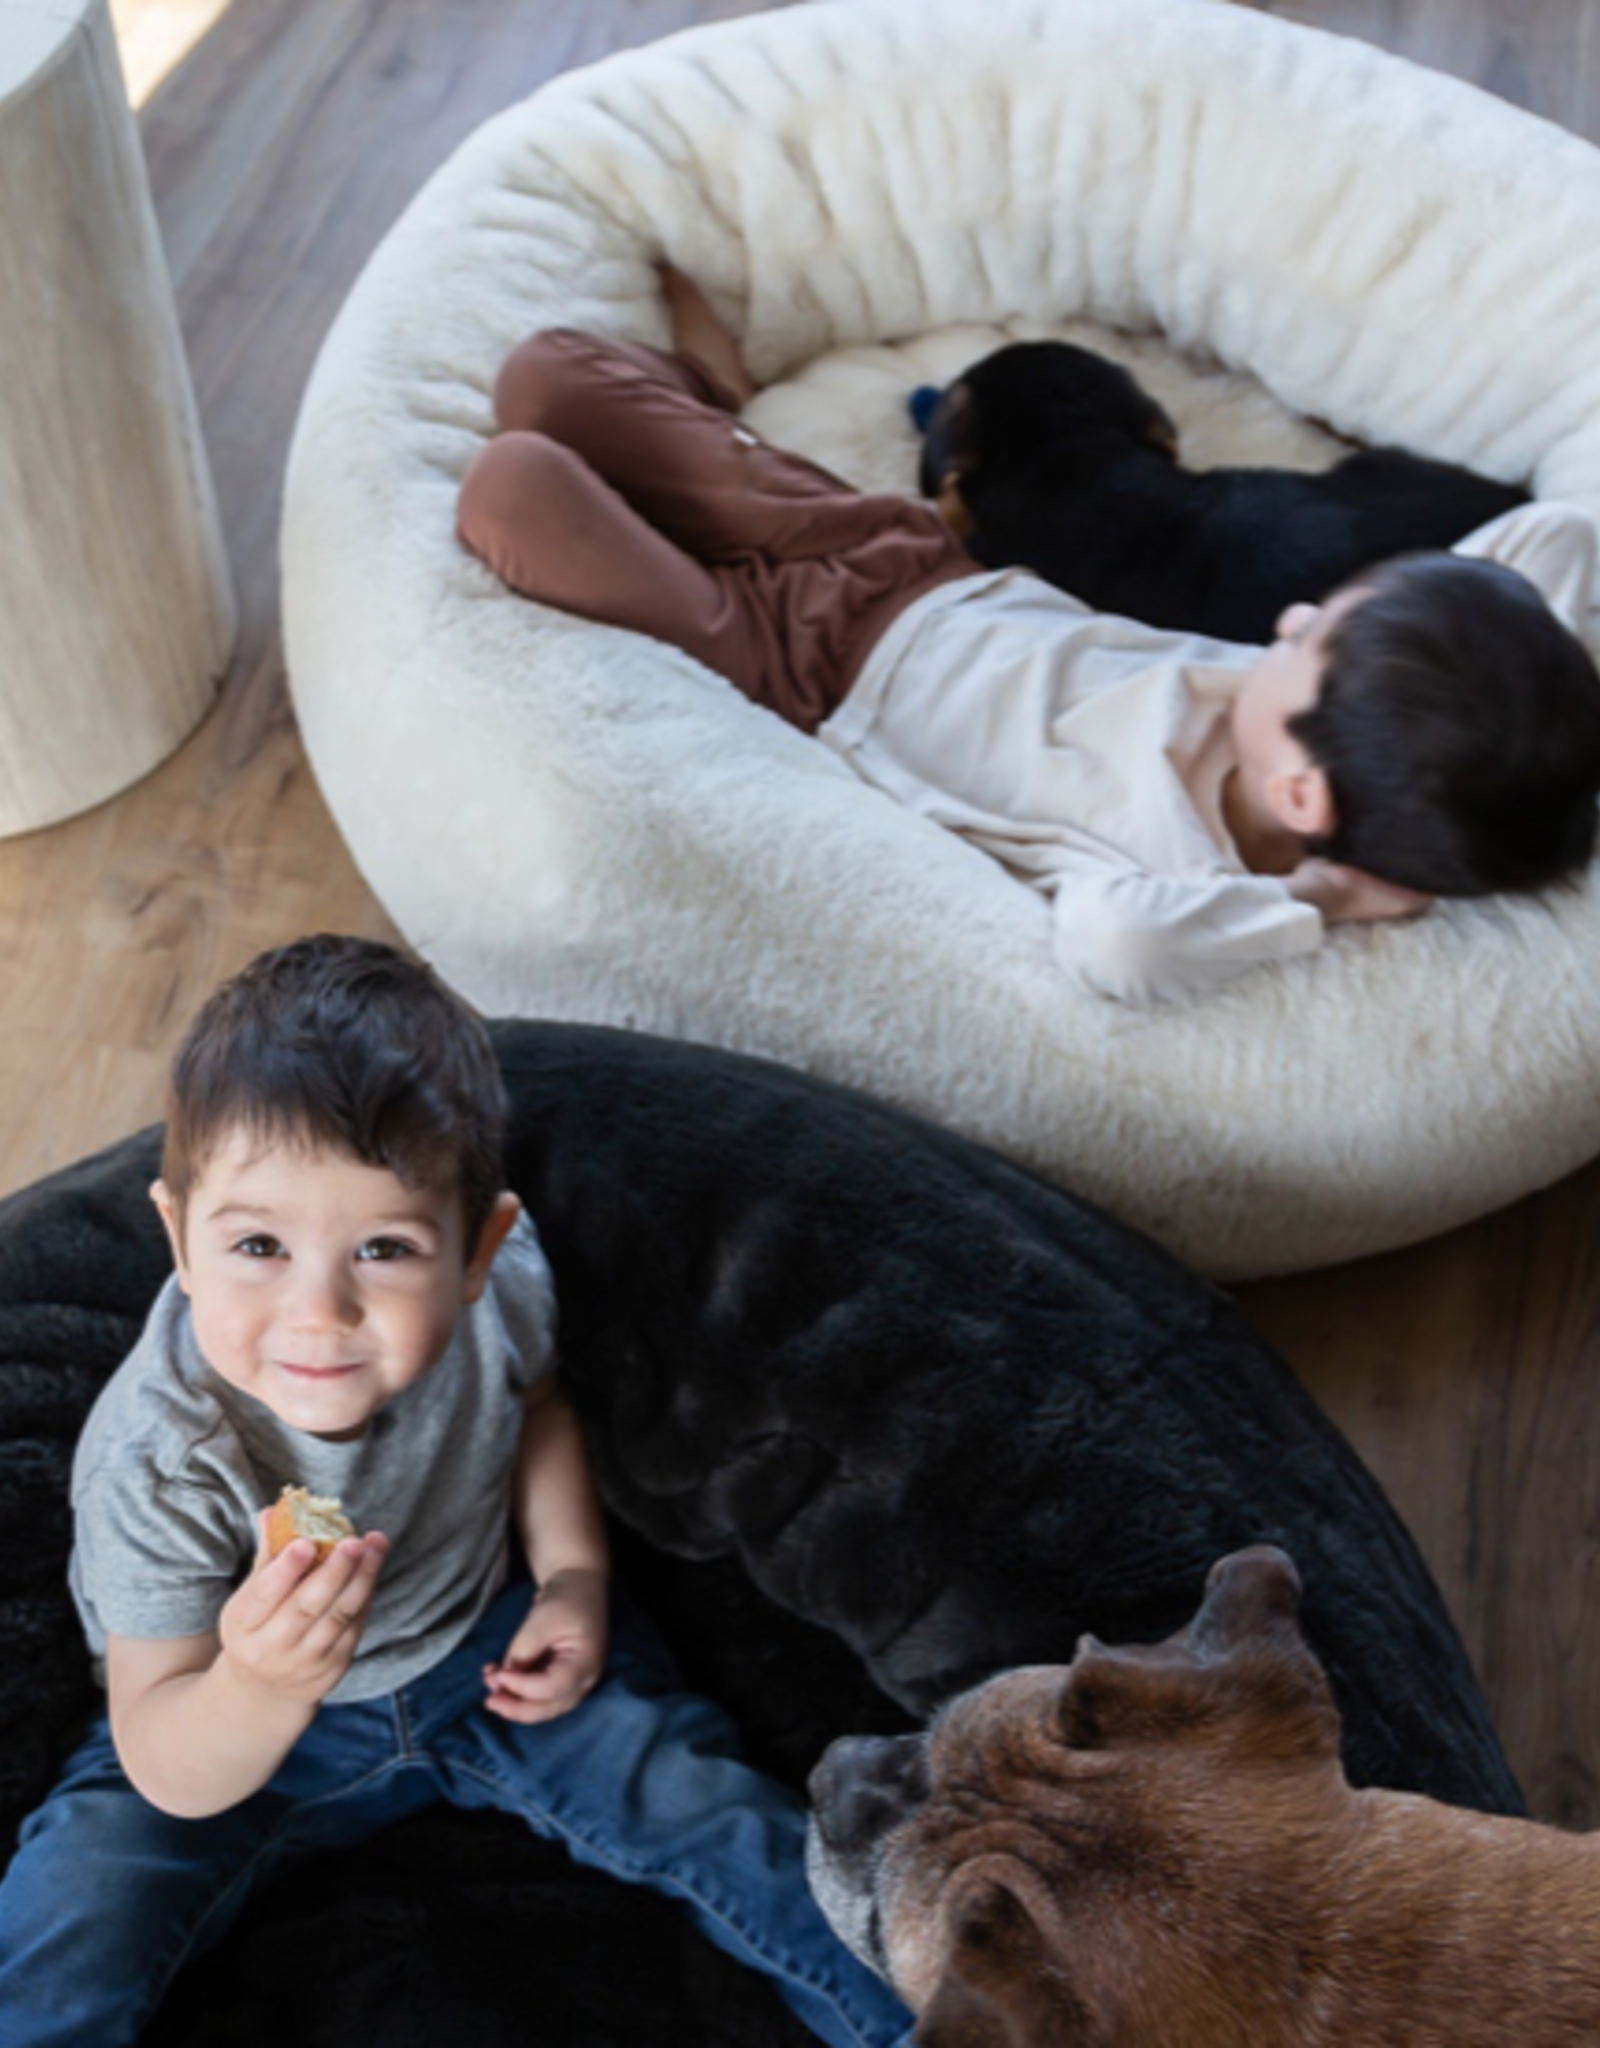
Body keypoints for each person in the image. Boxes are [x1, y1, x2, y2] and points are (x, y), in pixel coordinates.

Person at [0, 935, 914, 2048]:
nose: (319, 1311)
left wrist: (572, 1577)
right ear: (178, 1240)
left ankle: (930, 2026)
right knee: (66, 1915)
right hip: (218, 1723)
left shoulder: (497, 1306)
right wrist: (256, 1680)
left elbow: (537, 1414)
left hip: (490, 1657)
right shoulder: (161, 1454)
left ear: (480, 1248)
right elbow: (161, 1750)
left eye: (383, 1246)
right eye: (257, 1244)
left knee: (729, 1827)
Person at [456, 267, 1600, 1005]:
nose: (1287, 620)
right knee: (544, 372)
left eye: (1307, 642)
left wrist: (1329, 897)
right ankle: (714, 394)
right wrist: (1534, 714)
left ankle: (652, 498)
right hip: (897, 556)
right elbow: (1556, 537)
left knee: (514, 484)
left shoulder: (1173, 863)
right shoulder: (1310, 719)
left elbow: (1119, 948)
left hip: (788, 670)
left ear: (1302, 799)